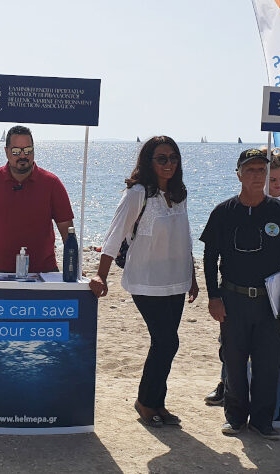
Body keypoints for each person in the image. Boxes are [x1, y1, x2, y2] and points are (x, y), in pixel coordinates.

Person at [88, 136, 198, 428]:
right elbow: (114, 233)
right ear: (149, 161)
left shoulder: (180, 193)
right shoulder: (138, 193)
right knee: (166, 341)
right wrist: (101, 273)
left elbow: (185, 237)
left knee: (165, 344)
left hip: (176, 280)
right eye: (161, 158)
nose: (169, 164)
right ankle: (146, 402)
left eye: (173, 158)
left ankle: (157, 402)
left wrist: (193, 277)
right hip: (146, 280)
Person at [201, 147, 280, 439]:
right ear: (239, 174)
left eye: (262, 170)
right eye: (251, 170)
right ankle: (235, 418)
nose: (257, 175)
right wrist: (213, 297)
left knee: (267, 363)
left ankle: (262, 421)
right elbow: (209, 259)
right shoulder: (223, 212)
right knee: (233, 362)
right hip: (232, 299)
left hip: (270, 302)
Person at [0, 125, 74, 273]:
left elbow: (67, 230)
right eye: (16, 151)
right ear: (6, 152)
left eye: (28, 150)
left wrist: (74, 266)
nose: (22, 156)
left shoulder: (52, 183)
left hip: (42, 273)